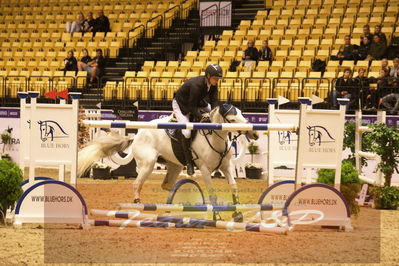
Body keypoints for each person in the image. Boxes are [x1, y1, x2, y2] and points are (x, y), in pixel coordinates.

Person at [172, 64, 222, 175]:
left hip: (197, 102)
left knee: (215, 113)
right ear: (208, 76)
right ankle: (189, 163)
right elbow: (191, 107)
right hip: (181, 104)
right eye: (215, 78)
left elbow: (214, 101)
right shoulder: (196, 85)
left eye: (218, 79)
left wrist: (214, 114)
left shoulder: (213, 84)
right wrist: (201, 116)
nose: (217, 81)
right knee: (187, 132)